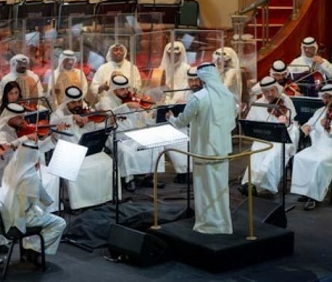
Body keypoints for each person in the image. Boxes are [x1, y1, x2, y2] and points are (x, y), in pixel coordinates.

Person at [168, 62, 237, 234]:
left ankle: (208, 225)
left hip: (203, 151)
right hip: (222, 150)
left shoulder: (198, 98)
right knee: (220, 188)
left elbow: (182, 121)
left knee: (205, 188)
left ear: (202, 79)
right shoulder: (227, 95)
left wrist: (171, 118)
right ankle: (223, 223)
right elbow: (232, 121)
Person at [0, 141, 67, 264]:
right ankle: (35, 249)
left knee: (39, 212)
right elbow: (47, 201)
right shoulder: (30, 176)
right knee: (59, 223)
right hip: (23, 219)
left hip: (7, 215)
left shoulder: (10, 169)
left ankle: (30, 247)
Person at [290, 83, 332, 211]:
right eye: (324, 97)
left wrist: (328, 128)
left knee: (319, 162)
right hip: (319, 146)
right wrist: (306, 127)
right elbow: (310, 123)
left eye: (329, 97)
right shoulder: (320, 111)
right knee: (299, 157)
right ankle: (305, 191)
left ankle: (313, 197)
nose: (326, 100)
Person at [50, 86, 113, 210]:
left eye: (79, 101)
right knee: (79, 169)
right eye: (73, 103)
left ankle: (102, 197)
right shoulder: (58, 113)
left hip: (87, 148)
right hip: (68, 152)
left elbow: (98, 127)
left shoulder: (86, 110)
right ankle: (79, 204)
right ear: (67, 103)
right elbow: (53, 125)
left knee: (106, 162)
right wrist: (71, 118)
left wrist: (108, 121)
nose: (77, 105)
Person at [96, 74, 159, 192]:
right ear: (114, 89)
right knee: (125, 151)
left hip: (133, 133)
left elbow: (142, 117)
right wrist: (126, 106)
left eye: (126, 88)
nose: (126, 92)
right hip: (115, 136)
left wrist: (152, 114)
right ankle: (128, 179)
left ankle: (148, 176)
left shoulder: (130, 98)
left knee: (154, 145)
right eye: (122, 89)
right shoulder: (106, 101)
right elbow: (108, 115)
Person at [240, 76, 299, 196]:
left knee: (272, 156)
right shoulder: (258, 103)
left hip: (282, 137)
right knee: (256, 153)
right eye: (266, 92)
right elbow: (250, 122)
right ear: (262, 92)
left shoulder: (285, 100)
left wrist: (285, 121)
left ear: (277, 89)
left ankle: (262, 186)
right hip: (264, 137)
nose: (270, 94)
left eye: (272, 90)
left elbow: (292, 123)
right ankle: (249, 183)